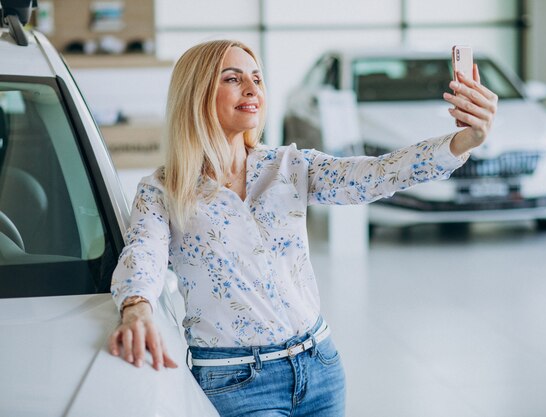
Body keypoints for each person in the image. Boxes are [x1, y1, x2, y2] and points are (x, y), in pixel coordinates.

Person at [108, 39, 498, 416]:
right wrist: (136, 306)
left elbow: (376, 173)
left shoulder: (289, 166)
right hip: (235, 383)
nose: (252, 88)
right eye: (232, 78)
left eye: (257, 78)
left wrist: (462, 141)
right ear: (196, 95)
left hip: (320, 365)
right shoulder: (162, 190)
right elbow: (144, 251)